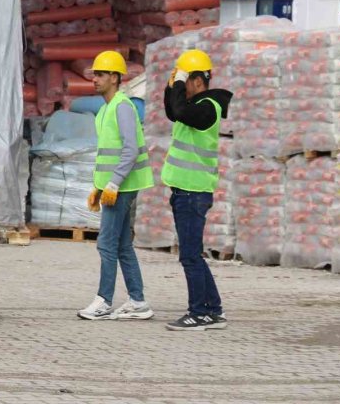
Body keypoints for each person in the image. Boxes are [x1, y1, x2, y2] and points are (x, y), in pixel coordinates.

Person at [78, 51, 155, 321]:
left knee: (106, 244)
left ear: (114, 77)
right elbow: (108, 155)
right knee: (122, 245)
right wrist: (99, 187)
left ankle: (104, 300)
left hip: (122, 187)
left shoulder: (122, 106)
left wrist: (113, 183)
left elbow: (130, 150)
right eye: (94, 74)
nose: (94, 79)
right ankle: (138, 301)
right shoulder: (106, 109)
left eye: (100, 74)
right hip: (115, 186)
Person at [161, 49, 233, 331]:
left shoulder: (208, 108)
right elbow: (172, 111)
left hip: (193, 193)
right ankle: (213, 310)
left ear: (197, 80)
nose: (183, 87)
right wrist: (172, 86)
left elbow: (180, 110)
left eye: (185, 80)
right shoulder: (195, 105)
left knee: (189, 256)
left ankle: (198, 313)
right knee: (194, 254)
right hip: (185, 191)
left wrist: (178, 85)